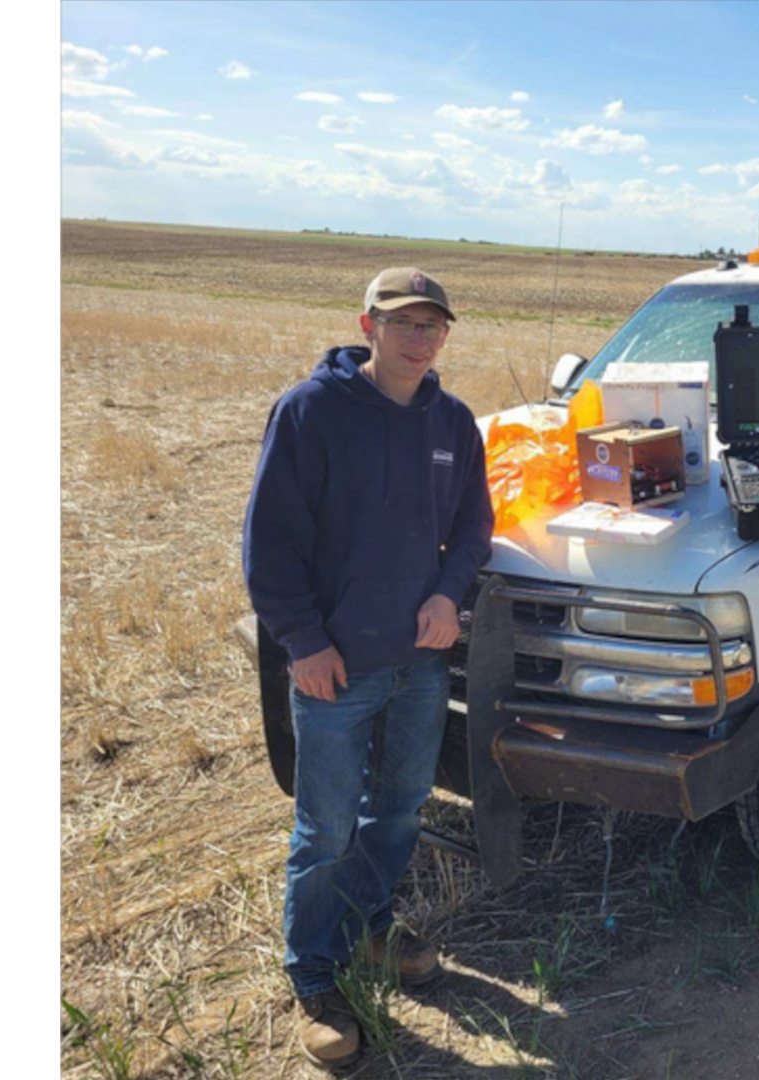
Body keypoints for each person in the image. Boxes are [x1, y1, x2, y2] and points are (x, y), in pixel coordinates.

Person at [243, 267, 493, 1068]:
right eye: (403, 323)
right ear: (367, 327)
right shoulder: (310, 412)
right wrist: (303, 641)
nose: (419, 339)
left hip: (419, 664)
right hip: (337, 665)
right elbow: (269, 543)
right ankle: (314, 974)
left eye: (432, 325)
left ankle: (371, 925)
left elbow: (474, 528)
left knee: (400, 809)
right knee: (325, 825)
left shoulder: (452, 421)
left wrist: (449, 595)